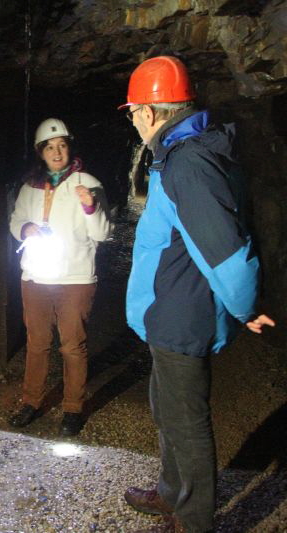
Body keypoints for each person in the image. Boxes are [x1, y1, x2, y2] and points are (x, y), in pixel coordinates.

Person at [119, 55, 275, 533]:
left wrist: (245, 307)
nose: (133, 122)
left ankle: (193, 518)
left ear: (147, 112)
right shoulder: (181, 155)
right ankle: (172, 492)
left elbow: (227, 251)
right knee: (167, 410)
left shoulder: (188, 164)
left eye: (132, 113)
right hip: (169, 312)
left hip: (183, 315)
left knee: (186, 422)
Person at [8, 118, 111, 436]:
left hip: (75, 278)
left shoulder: (88, 183)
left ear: (70, 148)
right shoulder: (29, 187)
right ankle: (31, 401)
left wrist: (90, 208)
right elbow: (16, 221)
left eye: (62, 145)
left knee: (71, 346)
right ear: (41, 152)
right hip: (36, 276)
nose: (56, 151)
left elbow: (104, 233)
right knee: (37, 343)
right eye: (50, 147)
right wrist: (26, 229)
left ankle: (72, 408)